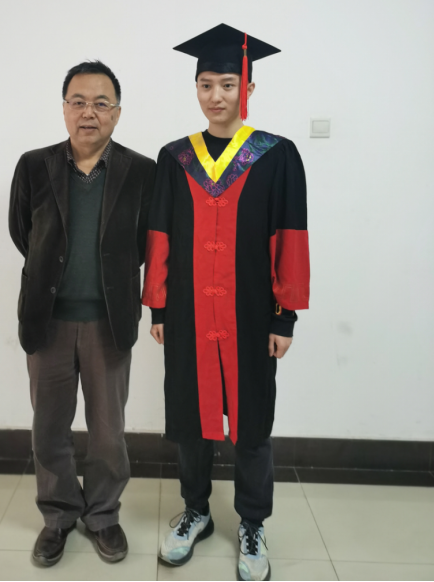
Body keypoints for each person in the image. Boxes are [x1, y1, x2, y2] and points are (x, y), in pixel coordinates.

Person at [142, 24, 310, 582]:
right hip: (188, 313)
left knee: (251, 422)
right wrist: (159, 307)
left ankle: (252, 521)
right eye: (206, 84)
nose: (216, 95)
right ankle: (195, 511)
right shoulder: (175, 158)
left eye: (228, 84)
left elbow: (290, 237)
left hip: (252, 315)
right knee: (190, 416)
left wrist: (285, 315)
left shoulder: (276, 156)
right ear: (196, 88)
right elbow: (160, 235)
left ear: (249, 89)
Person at [9, 60, 156, 567]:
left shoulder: (141, 171)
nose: (88, 112)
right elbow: (23, 233)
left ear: (117, 112)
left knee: (108, 431)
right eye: (78, 102)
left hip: (108, 322)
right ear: (64, 108)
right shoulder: (34, 165)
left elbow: (146, 243)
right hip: (47, 320)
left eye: (100, 103)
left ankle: (103, 515)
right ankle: (57, 516)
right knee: (48, 427)